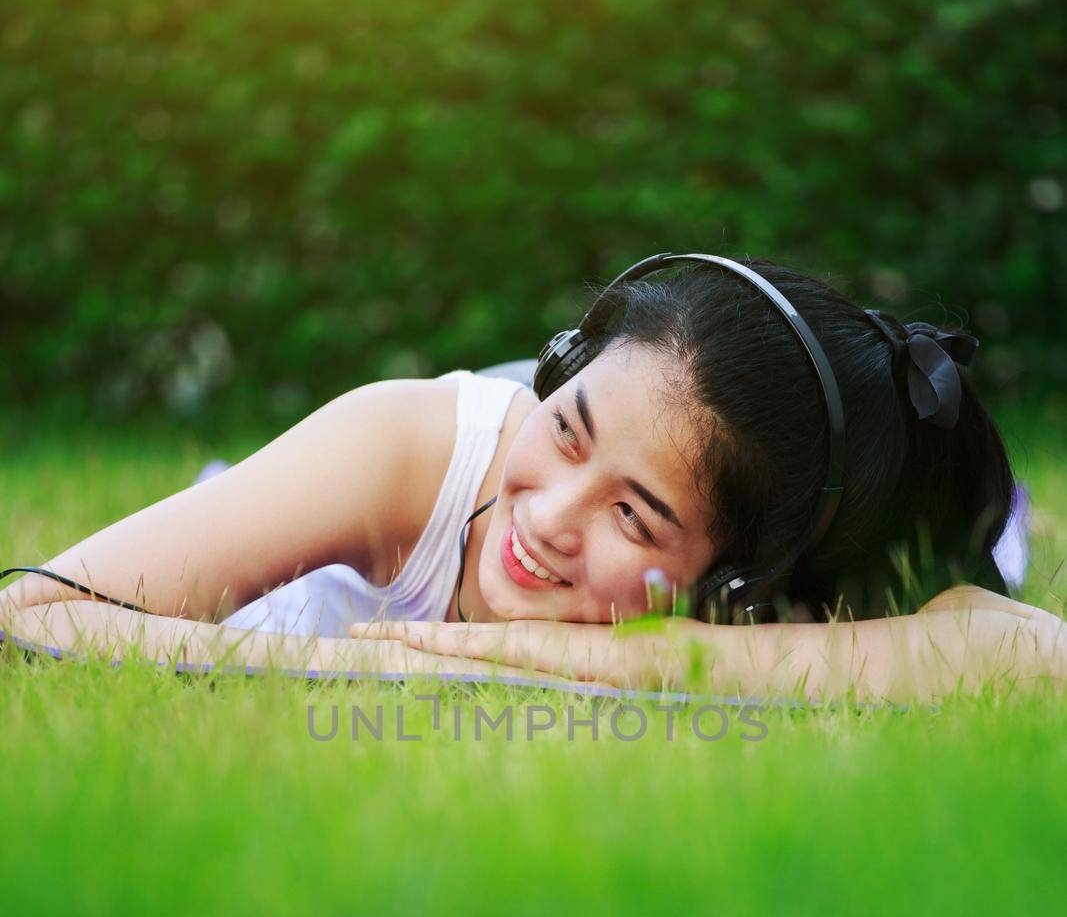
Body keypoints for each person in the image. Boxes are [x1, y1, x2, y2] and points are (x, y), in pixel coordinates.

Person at [2, 255, 1063, 703]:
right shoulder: (400, 446)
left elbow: (1024, 653)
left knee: (987, 540)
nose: (549, 519)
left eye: (635, 517)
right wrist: (408, 667)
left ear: (729, 586)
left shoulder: (745, 606)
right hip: (396, 474)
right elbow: (36, 612)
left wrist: (668, 660)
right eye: (570, 431)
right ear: (561, 375)